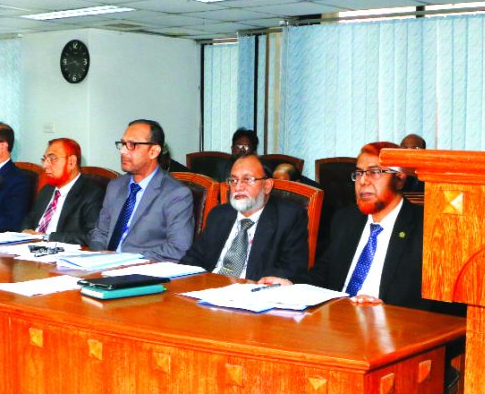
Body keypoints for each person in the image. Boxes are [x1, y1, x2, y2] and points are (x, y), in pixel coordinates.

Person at [262, 141, 428, 310]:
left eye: (375, 172)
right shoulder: (346, 220)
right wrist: (290, 285)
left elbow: (437, 305)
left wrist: (389, 311)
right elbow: (324, 273)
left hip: (393, 328)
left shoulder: (424, 228)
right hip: (339, 322)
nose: (363, 181)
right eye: (359, 173)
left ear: (399, 178)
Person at [181, 155, 308, 279]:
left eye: (247, 180)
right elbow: (193, 258)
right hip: (209, 288)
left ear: (267, 185)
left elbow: (292, 270)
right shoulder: (219, 215)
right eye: (233, 180)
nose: (238, 187)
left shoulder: (289, 218)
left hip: (253, 293)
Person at [89, 119, 194, 262]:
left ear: (154, 151)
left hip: (143, 269)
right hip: (103, 267)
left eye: (132, 145)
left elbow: (178, 248)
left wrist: (125, 261)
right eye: (122, 144)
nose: (123, 150)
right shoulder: (115, 186)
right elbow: (100, 233)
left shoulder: (176, 194)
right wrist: (98, 258)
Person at [21, 138, 104, 246]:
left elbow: (91, 235)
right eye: (44, 159)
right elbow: (29, 219)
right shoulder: (47, 190)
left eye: (52, 158)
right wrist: (25, 231)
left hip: (61, 253)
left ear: (71, 162)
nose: (45, 165)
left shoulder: (92, 194)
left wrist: (46, 237)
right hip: (31, 249)